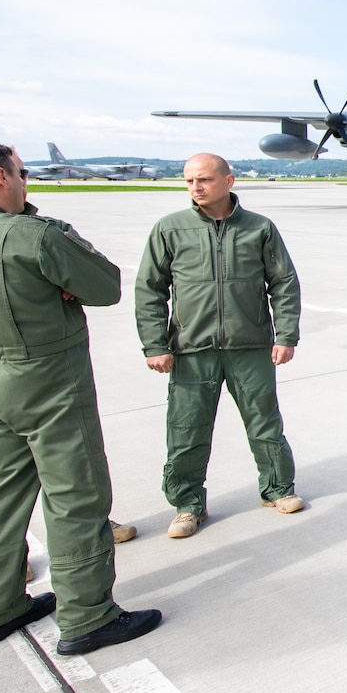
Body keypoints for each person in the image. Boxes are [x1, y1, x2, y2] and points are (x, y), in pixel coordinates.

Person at [0, 141, 160, 656]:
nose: (26, 181)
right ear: (0, 177)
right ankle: (88, 616)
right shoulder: (28, 235)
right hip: (45, 377)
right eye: (21, 173)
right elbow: (105, 285)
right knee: (75, 492)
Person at [136, 154, 303, 539]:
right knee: (187, 428)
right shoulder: (170, 229)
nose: (196, 186)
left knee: (265, 422)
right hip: (191, 350)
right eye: (190, 180)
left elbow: (284, 284)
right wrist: (154, 344)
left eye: (205, 179)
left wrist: (285, 335)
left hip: (250, 346)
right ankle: (188, 505)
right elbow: (150, 290)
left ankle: (278, 489)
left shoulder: (259, 228)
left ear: (229, 181)